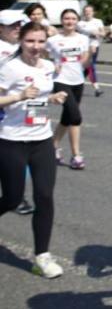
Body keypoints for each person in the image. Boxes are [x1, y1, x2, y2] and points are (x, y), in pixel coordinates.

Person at [0, 21, 69, 278]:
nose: (36, 47)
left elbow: (38, 97)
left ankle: (42, 257)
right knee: (13, 198)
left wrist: (50, 99)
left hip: (41, 140)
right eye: (30, 41)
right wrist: (18, 96)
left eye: (40, 41)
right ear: (21, 40)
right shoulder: (9, 68)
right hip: (11, 141)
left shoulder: (48, 67)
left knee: (44, 196)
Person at [1, 10, 37, 215]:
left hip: (19, 110)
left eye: (19, 25)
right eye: (11, 25)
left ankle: (17, 194)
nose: (16, 28)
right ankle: (15, 194)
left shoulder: (22, 47)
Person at [46, 8, 91, 169]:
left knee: (67, 117)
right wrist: (52, 64)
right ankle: (76, 156)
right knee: (75, 117)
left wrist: (87, 58)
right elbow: (44, 55)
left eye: (73, 18)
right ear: (61, 20)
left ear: (77, 21)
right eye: (66, 18)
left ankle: (53, 146)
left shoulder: (83, 39)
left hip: (78, 81)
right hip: (60, 80)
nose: (69, 21)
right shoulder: (53, 40)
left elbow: (85, 59)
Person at [76, 5, 106, 97]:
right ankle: (97, 88)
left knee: (86, 68)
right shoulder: (80, 23)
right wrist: (90, 32)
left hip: (94, 46)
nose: (87, 13)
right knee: (90, 66)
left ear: (93, 12)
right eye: (86, 11)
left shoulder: (98, 21)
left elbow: (103, 33)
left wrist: (98, 33)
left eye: (89, 11)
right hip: (84, 48)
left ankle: (76, 84)